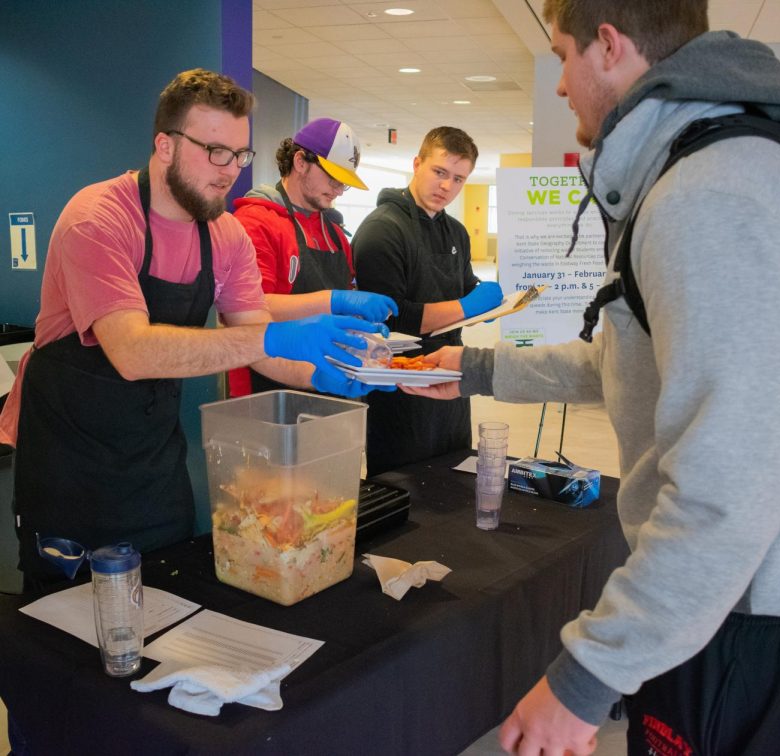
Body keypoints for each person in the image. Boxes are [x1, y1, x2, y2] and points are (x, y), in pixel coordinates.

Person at [404, 2, 780, 754]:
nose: (563, 85)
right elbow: (633, 366)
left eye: (565, 54)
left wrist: (584, 679)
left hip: (763, 615)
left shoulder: (711, 197)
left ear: (609, 47)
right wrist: (474, 365)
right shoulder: (730, 165)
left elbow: (726, 488)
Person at [0, 69, 390, 590]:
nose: (230, 170)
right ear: (164, 144)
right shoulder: (98, 219)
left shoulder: (225, 236)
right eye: (215, 151)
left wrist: (333, 375)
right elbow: (134, 352)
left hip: (156, 468)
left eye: (240, 154)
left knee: (169, 606)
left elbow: (259, 346)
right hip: (70, 471)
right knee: (64, 647)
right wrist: (273, 336)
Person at [352, 127, 503, 475]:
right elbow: (393, 318)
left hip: (450, 373)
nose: (447, 186)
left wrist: (493, 305)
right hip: (400, 382)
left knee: (454, 475)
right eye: (439, 172)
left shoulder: (456, 232)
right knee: (406, 486)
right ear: (417, 163)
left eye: (459, 179)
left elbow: (466, 288)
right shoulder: (382, 230)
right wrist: (469, 307)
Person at [229, 118, 396, 395]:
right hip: (267, 389)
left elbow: (346, 292)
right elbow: (249, 308)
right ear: (300, 161)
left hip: (328, 378)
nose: (338, 190)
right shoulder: (255, 222)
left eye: (345, 184)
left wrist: (357, 318)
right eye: (333, 178)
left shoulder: (335, 234)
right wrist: (334, 301)